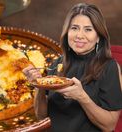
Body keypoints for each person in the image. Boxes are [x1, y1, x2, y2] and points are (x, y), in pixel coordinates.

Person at [23, 3, 122, 132]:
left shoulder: (108, 67)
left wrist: (82, 97)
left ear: (98, 36)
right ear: (67, 32)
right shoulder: (56, 64)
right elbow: (42, 115)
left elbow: (109, 126)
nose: (79, 35)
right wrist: (39, 86)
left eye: (88, 29)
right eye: (74, 28)